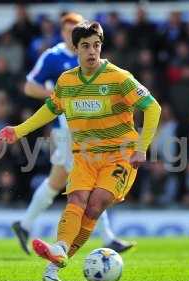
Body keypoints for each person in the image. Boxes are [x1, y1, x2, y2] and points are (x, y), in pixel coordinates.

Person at [0, 20, 161, 281]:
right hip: (84, 154)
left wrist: (142, 147)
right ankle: (58, 254)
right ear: (75, 49)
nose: (92, 51)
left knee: (94, 205)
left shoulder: (120, 78)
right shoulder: (67, 81)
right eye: (85, 46)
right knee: (76, 201)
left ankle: (58, 256)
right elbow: (49, 110)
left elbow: (153, 108)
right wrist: (18, 131)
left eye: (96, 45)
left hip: (120, 154)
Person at [10, 13, 135, 257]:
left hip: (91, 134)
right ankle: (108, 238)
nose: (70, 35)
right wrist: (59, 98)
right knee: (90, 183)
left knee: (58, 182)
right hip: (67, 133)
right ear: (63, 33)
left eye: (73, 30)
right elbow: (28, 86)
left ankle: (24, 225)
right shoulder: (54, 57)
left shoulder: (93, 62)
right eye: (67, 31)